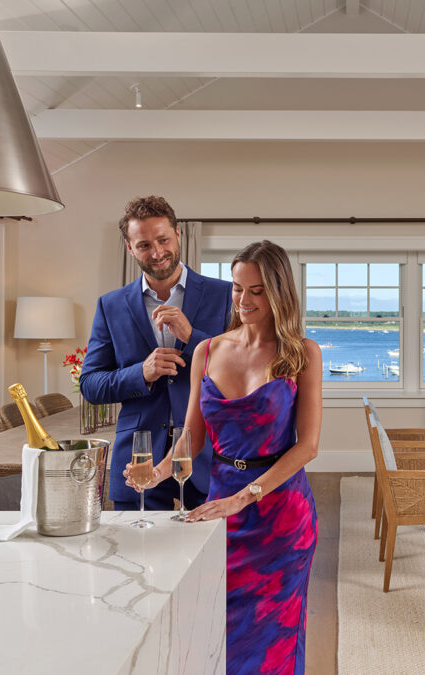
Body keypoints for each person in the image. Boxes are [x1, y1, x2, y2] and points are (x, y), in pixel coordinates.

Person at [127, 240, 321, 675]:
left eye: (257, 291)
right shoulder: (207, 350)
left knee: (273, 646)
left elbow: (308, 446)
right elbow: (191, 438)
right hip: (221, 512)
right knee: (216, 632)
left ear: (279, 292)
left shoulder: (303, 353)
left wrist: (244, 497)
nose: (244, 300)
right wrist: (156, 472)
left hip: (280, 518)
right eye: (237, 288)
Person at [80, 195, 232, 511]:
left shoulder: (224, 295)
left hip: (209, 456)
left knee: (215, 543)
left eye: (163, 240)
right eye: (144, 245)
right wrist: (141, 373)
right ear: (130, 248)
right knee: (137, 543)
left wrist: (193, 338)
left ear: (178, 234)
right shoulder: (110, 305)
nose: (157, 252)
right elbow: (90, 385)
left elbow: (242, 370)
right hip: (139, 460)